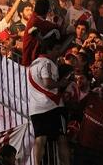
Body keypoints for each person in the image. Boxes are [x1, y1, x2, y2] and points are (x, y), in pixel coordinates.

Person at [28, 36, 71, 165]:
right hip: (53, 106)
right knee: (62, 139)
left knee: (40, 138)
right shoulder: (47, 63)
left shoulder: (33, 63)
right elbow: (47, 83)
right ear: (49, 50)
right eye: (56, 49)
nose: (58, 52)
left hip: (36, 108)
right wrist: (61, 83)